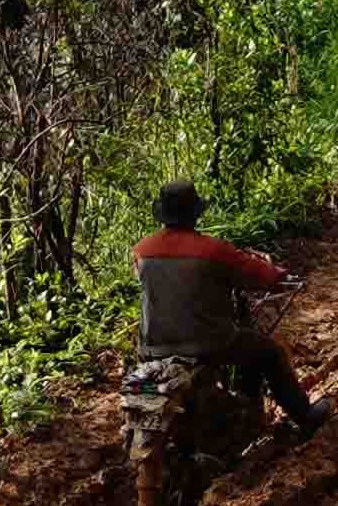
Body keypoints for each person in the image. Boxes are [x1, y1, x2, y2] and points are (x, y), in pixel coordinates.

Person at [130, 181, 324, 429]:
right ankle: (306, 418)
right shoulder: (213, 250)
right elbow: (259, 274)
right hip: (208, 344)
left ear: (163, 214)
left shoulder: (141, 251)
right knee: (269, 353)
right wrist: (280, 277)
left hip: (152, 348)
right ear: (195, 214)